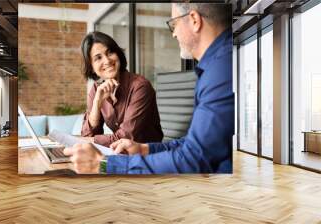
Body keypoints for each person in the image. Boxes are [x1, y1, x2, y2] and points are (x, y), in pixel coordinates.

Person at [64, 3, 234, 174]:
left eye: (174, 25)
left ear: (195, 20)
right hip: (142, 158)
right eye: (98, 58)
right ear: (91, 67)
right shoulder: (213, 67)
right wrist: (144, 149)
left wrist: (104, 165)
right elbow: (192, 144)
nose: (173, 34)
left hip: (154, 169)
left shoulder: (219, 70)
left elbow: (195, 157)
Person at [79, 31, 163, 147]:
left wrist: (91, 141)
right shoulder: (96, 90)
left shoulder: (140, 87)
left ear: (118, 54)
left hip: (147, 157)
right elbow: (87, 135)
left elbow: (126, 136)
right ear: (91, 67)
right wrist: (97, 103)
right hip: (119, 154)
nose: (107, 61)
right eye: (98, 58)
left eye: (110, 52)